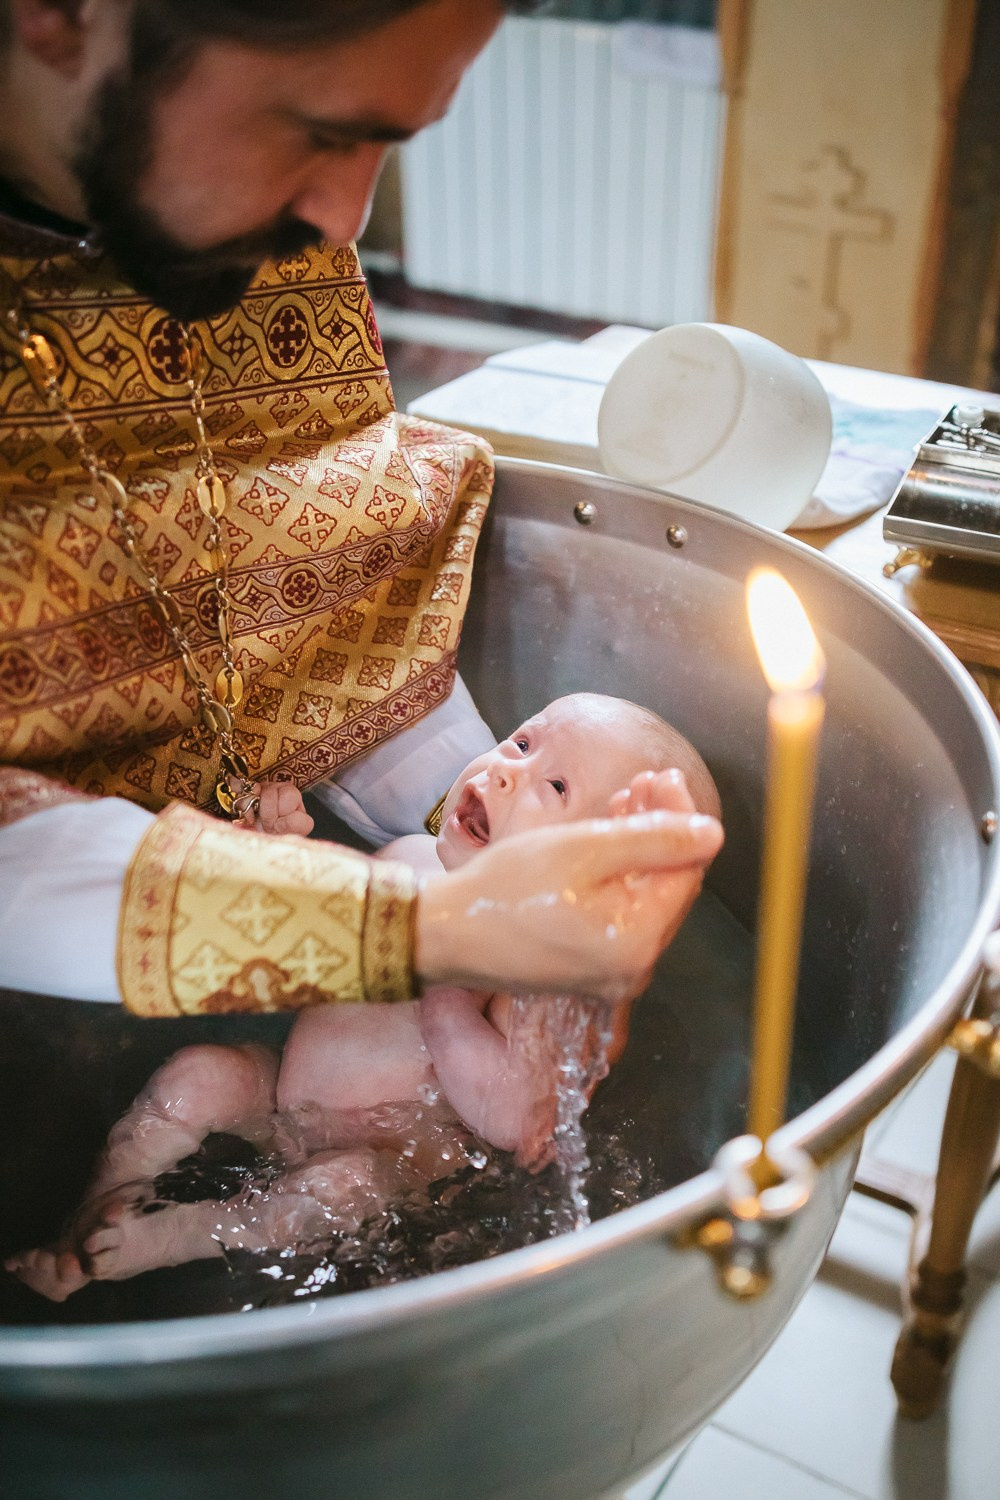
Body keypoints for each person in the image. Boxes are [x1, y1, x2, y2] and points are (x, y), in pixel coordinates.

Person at [0, 1, 722, 1037]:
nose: (347, 221)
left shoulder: (253, 226)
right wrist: (414, 920)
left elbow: (319, 595)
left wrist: (498, 851)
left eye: (390, 143)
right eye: (322, 131)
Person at [6, 694, 721, 1300]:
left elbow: (516, 1119)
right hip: (278, 1091)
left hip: (391, 1158)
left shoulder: (551, 982)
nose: (506, 771)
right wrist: (258, 853)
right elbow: (299, 931)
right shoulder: (412, 858)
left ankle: (178, 1235)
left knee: (344, 1187)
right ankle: (98, 1206)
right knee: (198, 1073)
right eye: (523, 741)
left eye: (555, 787)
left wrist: (448, 997)